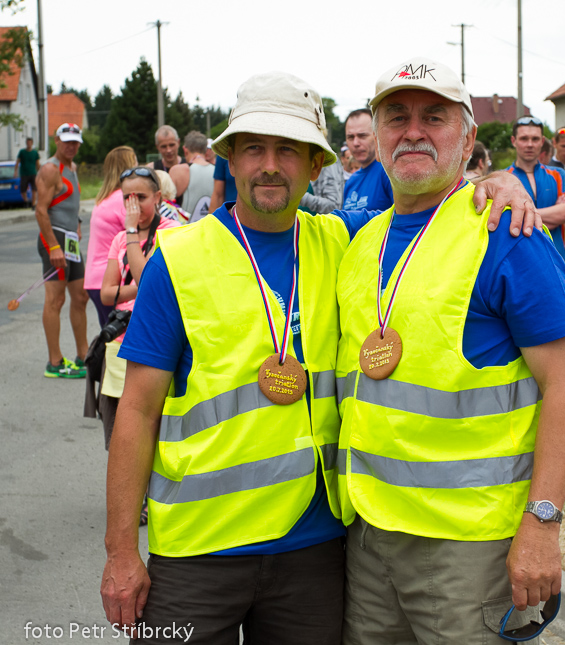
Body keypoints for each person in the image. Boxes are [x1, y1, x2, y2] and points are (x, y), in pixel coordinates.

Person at [99, 70, 540, 645]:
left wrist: (503, 179)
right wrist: (120, 552)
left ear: (315, 166)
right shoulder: (178, 260)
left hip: (314, 553)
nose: (270, 165)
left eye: (289, 150)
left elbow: (430, 205)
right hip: (197, 552)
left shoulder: (345, 244)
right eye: (253, 148)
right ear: (229, 158)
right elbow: (135, 410)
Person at [335, 56, 565, 644]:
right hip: (369, 537)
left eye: (436, 117)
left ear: (469, 136)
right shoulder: (359, 241)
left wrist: (542, 524)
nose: (414, 130)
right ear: (376, 135)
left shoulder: (508, 232)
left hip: (468, 549)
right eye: (396, 116)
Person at [97, 167, 179, 451]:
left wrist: (132, 230)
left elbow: (147, 280)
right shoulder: (120, 239)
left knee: (151, 432)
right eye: (127, 198)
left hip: (155, 342)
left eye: (141, 197)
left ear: (157, 197)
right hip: (120, 344)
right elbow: (106, 294)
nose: (133, 205)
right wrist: (137, 291)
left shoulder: (171, 232)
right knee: (120, 434)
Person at [35, 123, 89, 378]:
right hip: (53, 240)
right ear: (56, 140)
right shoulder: (49, 169)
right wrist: (54, 246)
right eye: (66, 141)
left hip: (69, 240)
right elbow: (41, 210)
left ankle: (84, 355)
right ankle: (54, 362)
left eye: (75, 141)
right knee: (55, 300)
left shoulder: (73, 168)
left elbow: (70, 204)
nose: (71, 145)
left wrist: (77, 223)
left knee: (81, 297)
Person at [507, 116, 565, 261]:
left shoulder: (558, 175)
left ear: (542, 142)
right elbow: (505, 221)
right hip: (520, 263)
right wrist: (556, 214)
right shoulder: (504, 179)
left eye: (535, 139)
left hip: (556, 261)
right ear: (514, 141)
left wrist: (523, 214)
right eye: (524, 139)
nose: (530, 144)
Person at [84, 146, 138, 328]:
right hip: (110, 281)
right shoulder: (120, 200)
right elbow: (138, 229)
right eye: (135, 162)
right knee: (120, 340)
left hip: (94, 279)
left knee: (108, 339)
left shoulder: (104, 198)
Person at [343, 108, 393, 210]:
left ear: (377, 135)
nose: (356, 143)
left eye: (362, 136)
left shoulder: (389, 173)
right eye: (350, 137)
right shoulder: (350, 182)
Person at [169, 130, 214, 222]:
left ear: (185, 150)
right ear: (206, 150)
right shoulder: (217, 171)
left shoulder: (177, 171)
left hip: (184, 232)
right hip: (212, 231)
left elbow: (167, 207)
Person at [15, 136, 40, 209]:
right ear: (26, 143)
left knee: (34, 189)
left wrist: (40, 172)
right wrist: (15, 171)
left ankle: (33, 204)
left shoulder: (35, 153)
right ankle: (26, 201)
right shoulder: (22, 152)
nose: (28, 144)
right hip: (24, 173)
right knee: (23, 189)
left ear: (32, 143)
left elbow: (37, 164)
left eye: (30, 142)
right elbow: (17, 162)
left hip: (33, 173)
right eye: (27, 142)